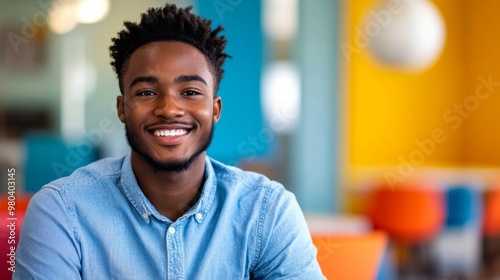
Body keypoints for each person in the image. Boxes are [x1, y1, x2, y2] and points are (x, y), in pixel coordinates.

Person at [14, 3, 325, 279]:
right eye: (147, 93)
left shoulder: (267, 210)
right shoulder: (62, 211)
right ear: (122, 108)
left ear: (214, 110)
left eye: (190, 92)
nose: (168, 109)